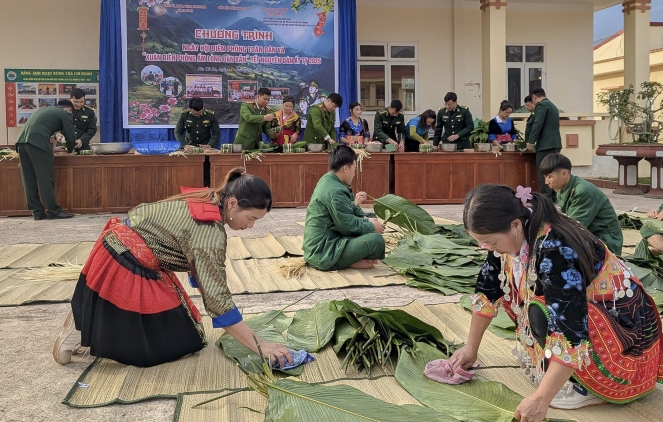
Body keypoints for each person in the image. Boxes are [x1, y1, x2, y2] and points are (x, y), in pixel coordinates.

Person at [451, 184, 663, 419]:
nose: (488, 248)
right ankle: (562, 372)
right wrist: (471, 348)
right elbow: (487, 290)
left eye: (490, 242)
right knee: (521, 296)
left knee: (540, 310)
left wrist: (541, 399)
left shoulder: (556, 249)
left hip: (625, 330)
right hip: (589, 314)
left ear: (514, 225)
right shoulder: (519, 228)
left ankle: (587, 384)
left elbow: (570, 327)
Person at [53, 168, 293, 368]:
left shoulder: (208, 198)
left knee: (187, 332)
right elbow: (218, 300)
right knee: (168, 346)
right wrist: (261, 345)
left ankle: (85, 313)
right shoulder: (209, 233)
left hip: (114, 245)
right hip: (124, 264)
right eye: (251, 218)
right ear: (232, 204)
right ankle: (79, 326)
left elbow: (202, 272)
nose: (250, 226)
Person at [303, 145, 386, 271]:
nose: (354, 173)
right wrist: (371, 226)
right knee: (376, 240)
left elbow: (348, 211)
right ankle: (345, 261)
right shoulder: (335, 191)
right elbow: (348, 226)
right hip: (323, 251)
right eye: (354, 168)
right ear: (346, 168)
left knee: (371, 220)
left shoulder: (328, 180)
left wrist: (368, 219)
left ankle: (354, 258)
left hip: (328, 240)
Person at [540, 153, 623, 255]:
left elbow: (573, 226)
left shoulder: (582, 191)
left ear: (564, 174)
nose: (546, 182)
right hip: (588, 235)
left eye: (550, 177)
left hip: (605, 241)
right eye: (545, 177)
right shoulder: (562, 189)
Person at [16, 100, 77, 220]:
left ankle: (37, 212)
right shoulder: (65, 114)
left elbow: (42, 129)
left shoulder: (44, 110)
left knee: (29, 178)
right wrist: (70, 150)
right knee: (45, 178)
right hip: (37, 142)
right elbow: (70, 136)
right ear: (69, 110)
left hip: (22, 142)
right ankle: (53, 210)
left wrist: (50, 147)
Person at [526, 89, 562, 200]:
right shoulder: (553, 106)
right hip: (555, 143)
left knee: (544, 170)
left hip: (545, 144)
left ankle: (546, 197)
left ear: (534, 97)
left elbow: (538, 123)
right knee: (554, 170)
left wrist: (531, 140)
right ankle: (555, 195)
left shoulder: (541, 105)